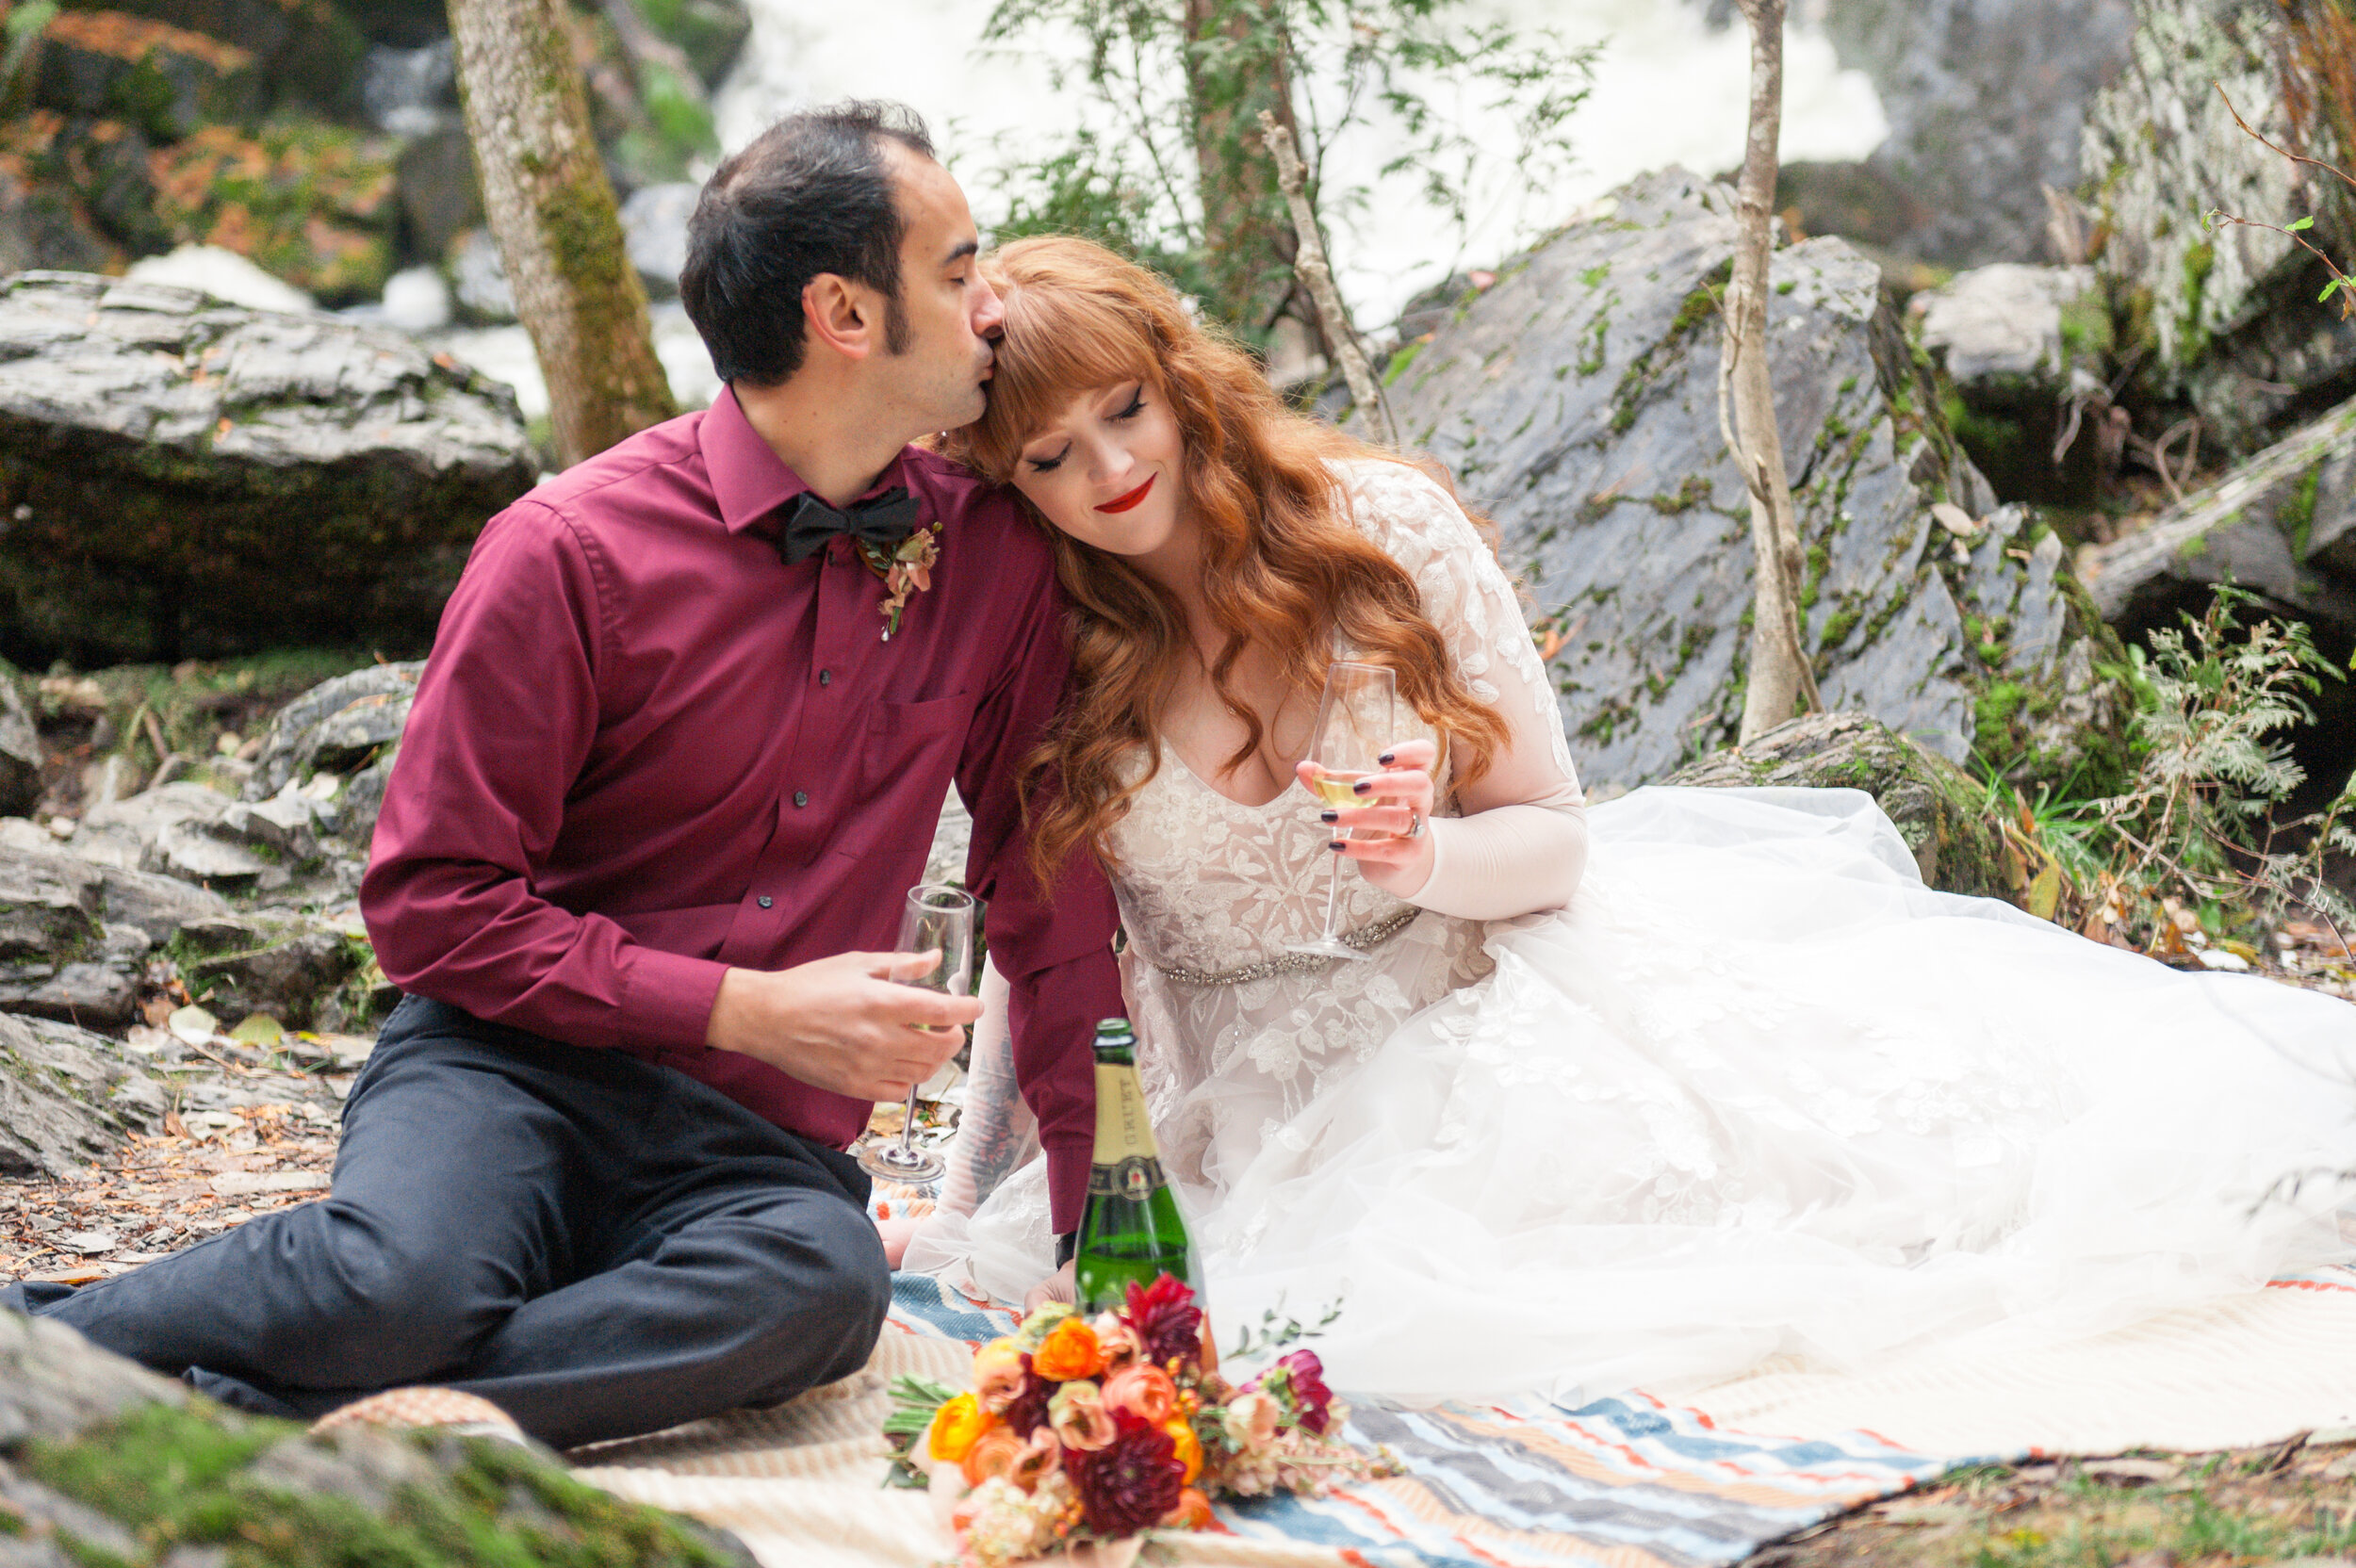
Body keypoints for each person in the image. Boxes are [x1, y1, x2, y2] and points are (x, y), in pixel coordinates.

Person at [908, 235, 2356, 1405]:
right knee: (1295, 1327)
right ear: (1003, 480)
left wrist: (1427, 856)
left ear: (1180, 378)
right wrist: (980, 1193)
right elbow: (1047, 937)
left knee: (1794, 1210)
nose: (1109, 470)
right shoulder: (1041, 640)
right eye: (1049, 456)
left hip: (1474, 999)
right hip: (1236, 1099)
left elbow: (1551, 833)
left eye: (1125, 410)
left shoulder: (1377, 533)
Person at [1, 105, 1123, 1449]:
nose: (991, 304)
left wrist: (1102, 1216)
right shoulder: (565, 551)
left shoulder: (991, 557)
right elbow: (432, 907)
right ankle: (43, 1352)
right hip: (502, 1070)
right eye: (957, 269)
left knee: (822, 1293)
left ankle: (264, 1416)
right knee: (398, 1281)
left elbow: (1042, 895)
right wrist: (741, 1009)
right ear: (843, 311)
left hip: (751, 1150)